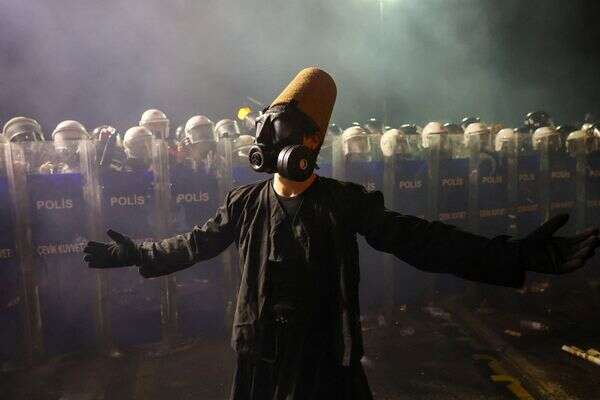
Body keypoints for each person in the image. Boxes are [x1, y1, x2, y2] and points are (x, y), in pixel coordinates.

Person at [83, 67, 599, 400]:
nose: (265, 137)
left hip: (326, 360)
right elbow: (195, 244)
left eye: (280, 126)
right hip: (260, 357)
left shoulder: (344, 202)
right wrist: (137, 254)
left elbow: (424, 241)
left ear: (310, 142)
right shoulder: (245, 202)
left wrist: (515, 256)